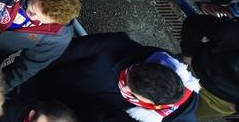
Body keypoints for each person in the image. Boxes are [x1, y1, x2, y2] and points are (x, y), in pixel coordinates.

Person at [18, 33, 199, 121]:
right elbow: (57, 54)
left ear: (153, 105)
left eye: (132, 92)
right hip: (40, 88)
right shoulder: (115, 45)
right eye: (129, 77)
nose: (125, 88)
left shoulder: (176, 111)